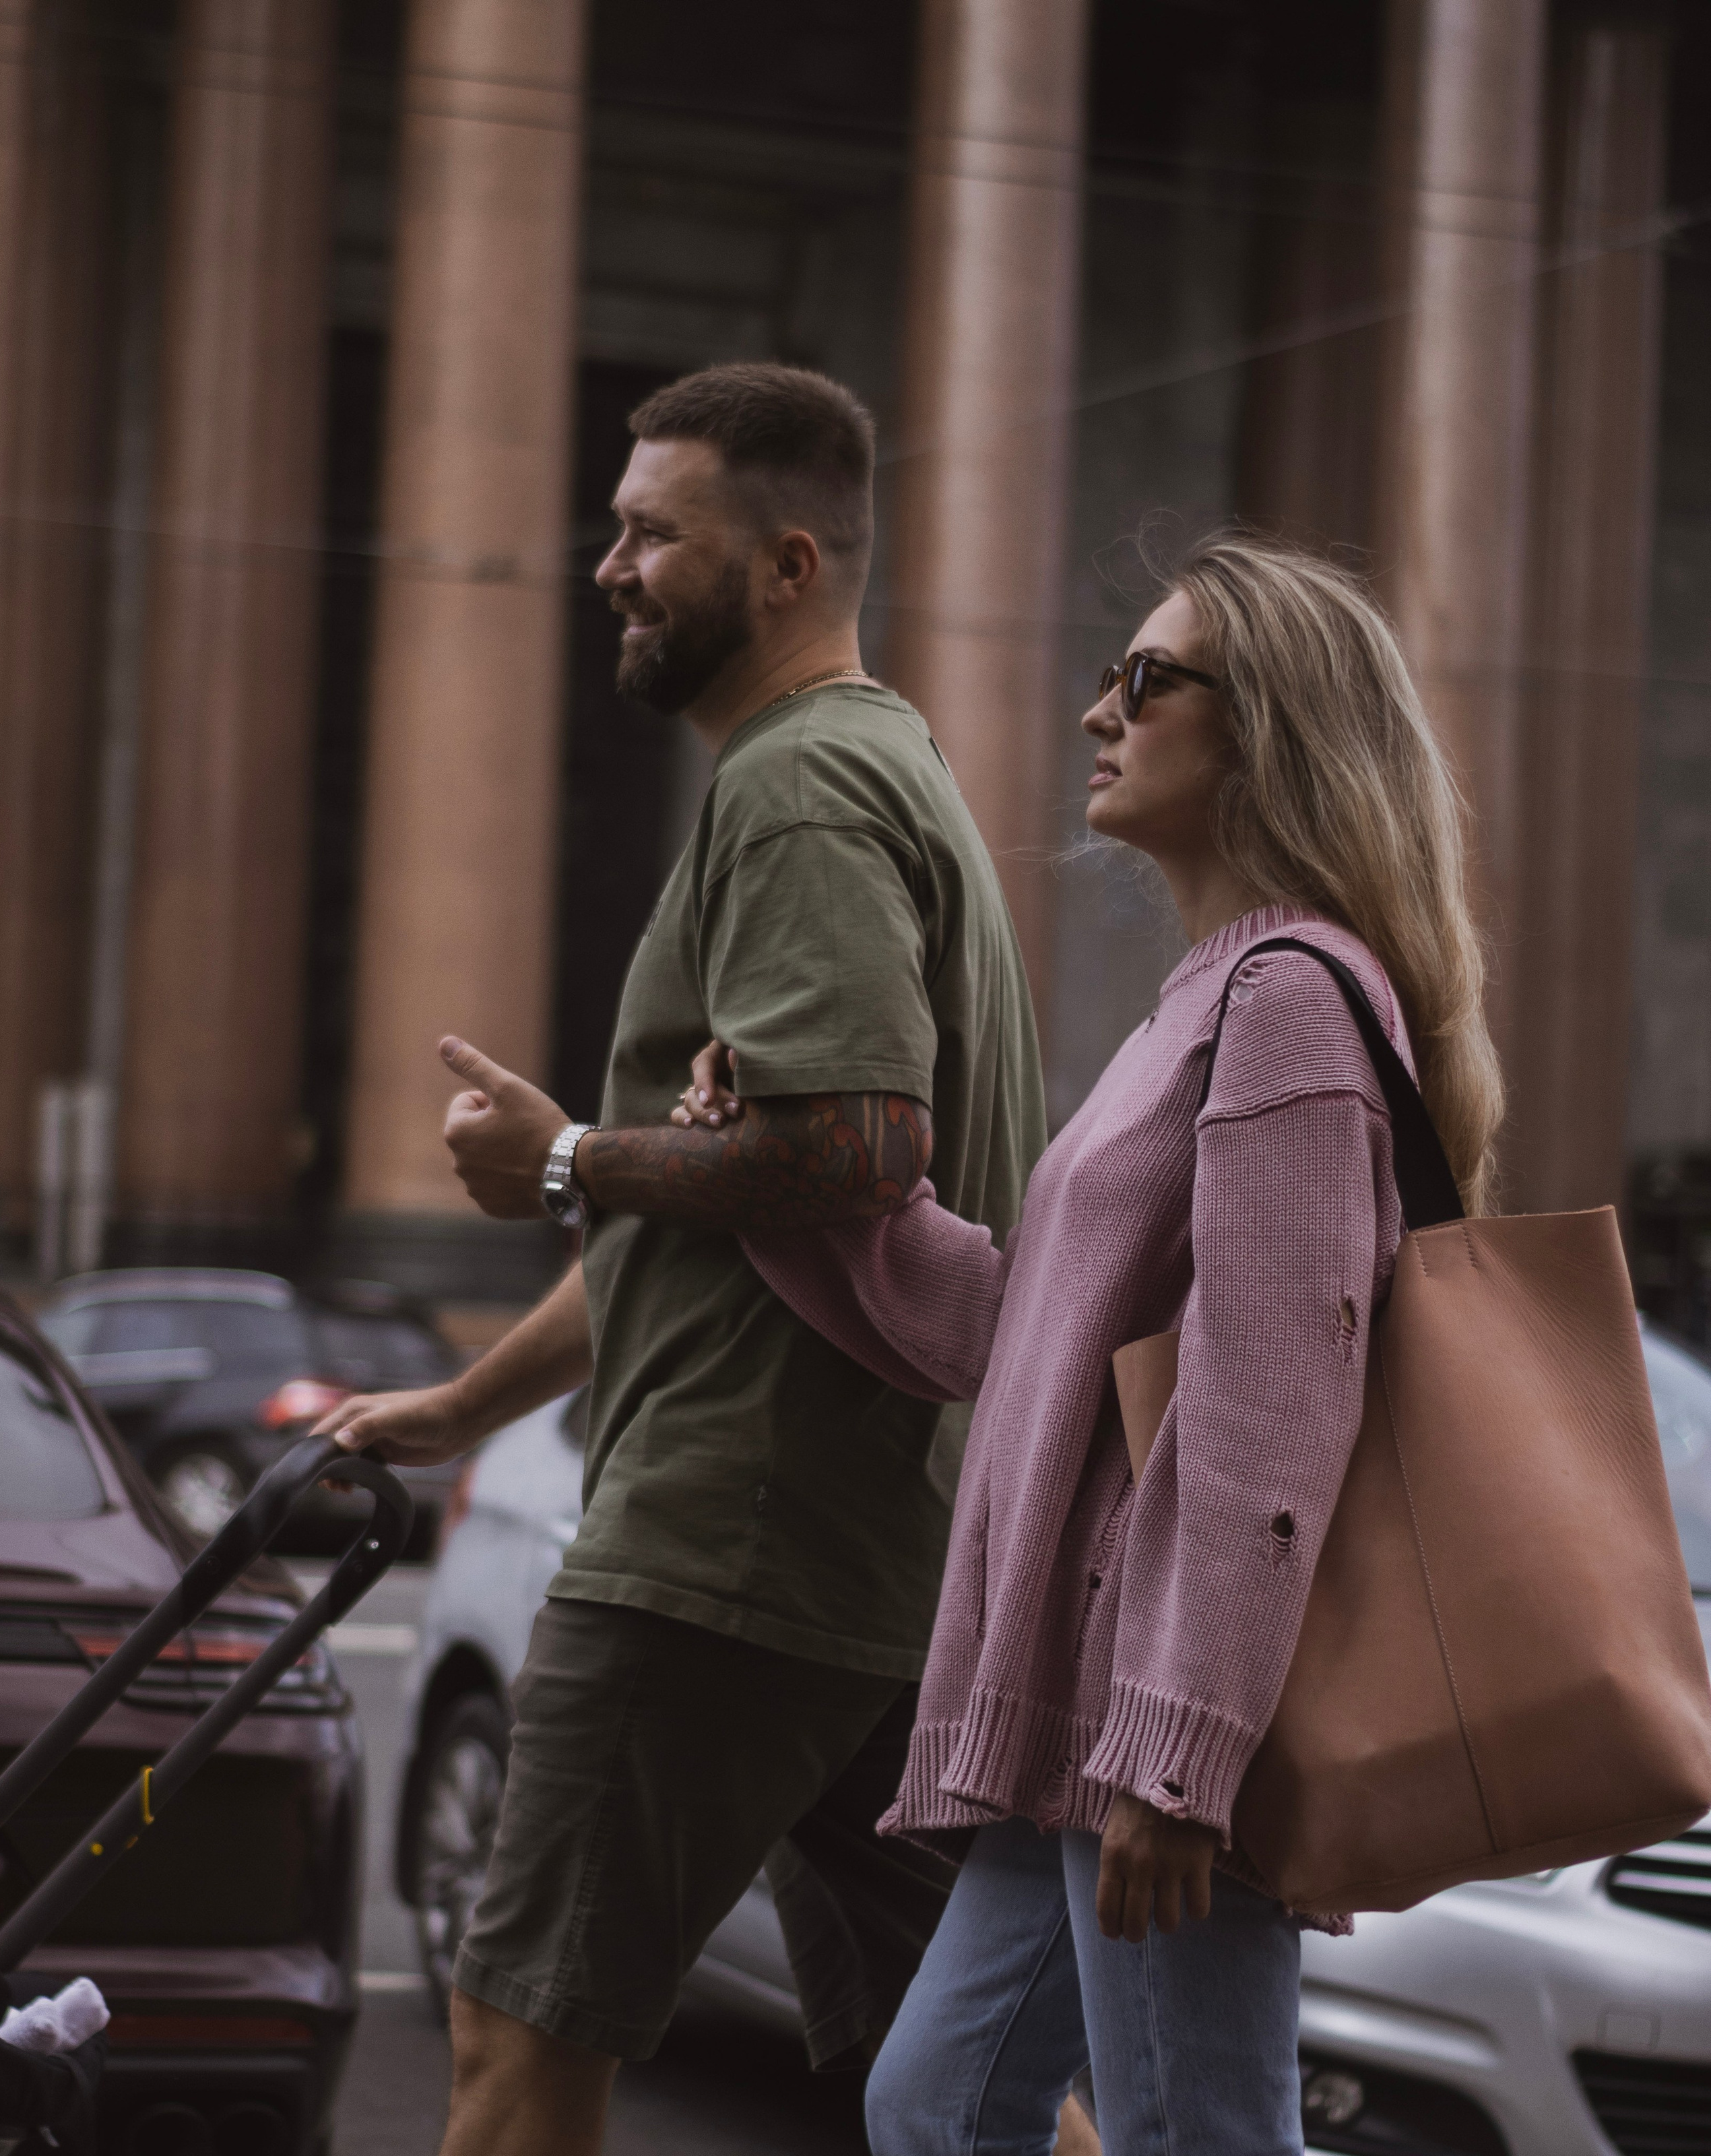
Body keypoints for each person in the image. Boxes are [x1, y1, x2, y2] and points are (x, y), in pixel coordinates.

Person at [680, 532, 1504, 2153]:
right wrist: (794, 1187)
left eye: (1144, 678)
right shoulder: (1203, 1002)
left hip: (1157, 1712)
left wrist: (1178, 1756)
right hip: (1092, 1708)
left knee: (1193, 2133)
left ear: (1264, 730)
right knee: (938, 2104)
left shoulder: (1287, 1003)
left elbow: (1270, 1407)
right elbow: (1030, 1334)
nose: (1094, 713)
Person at [319, 362, 1054, 2156]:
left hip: (726, 1548)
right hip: (866, 1549)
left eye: (654, 533)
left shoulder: (798, 790)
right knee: (959, 2085)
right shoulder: (880, 766)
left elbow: (854, 1148)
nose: (610, 567)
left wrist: (564, 1156)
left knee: (514, 2028)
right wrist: (463, 1406)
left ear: (786, 565)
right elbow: (741, 1225)